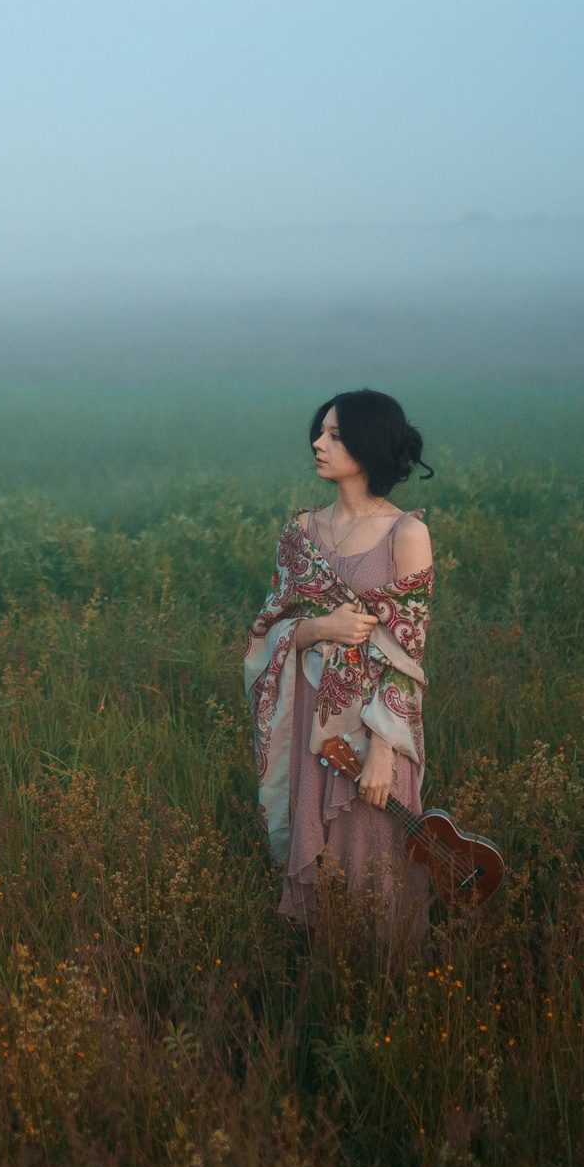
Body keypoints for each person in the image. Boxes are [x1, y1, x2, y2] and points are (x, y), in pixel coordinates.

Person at [241, 389, 436, 946]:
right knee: (321, 858)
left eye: (333, 435)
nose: (317, 443)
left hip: (374, 731)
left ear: (367, 445)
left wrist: (384, 750)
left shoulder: (407, 535)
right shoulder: (301, 533)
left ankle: (388, 995)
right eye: (319, 431)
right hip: (311, 725)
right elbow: (268, 631)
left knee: (376, 857)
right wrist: (320, 629)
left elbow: (408, 656)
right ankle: (325, 982)